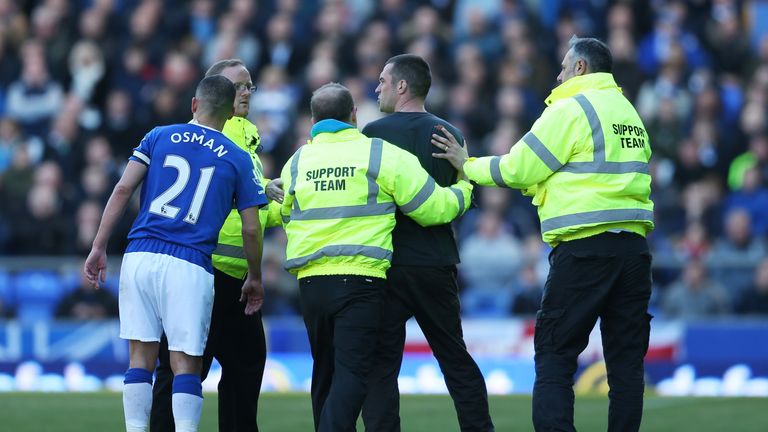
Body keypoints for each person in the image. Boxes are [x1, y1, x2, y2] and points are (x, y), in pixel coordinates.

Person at [434, 36, 655, 432]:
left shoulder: (572, 107)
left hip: (585, 249)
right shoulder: (628, 113)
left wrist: (467, 166)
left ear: (581, 68)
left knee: (555, 353)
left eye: (564, 67)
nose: (558, 75)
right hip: (635, 251)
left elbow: (519, 168)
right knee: (626, 367)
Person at [279, 82, 473, 432]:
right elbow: (433, 209)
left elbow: (286, 215)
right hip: (360, 280)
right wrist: (464, 187)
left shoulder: (297, 162)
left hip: (309, 284)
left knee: (324, 372)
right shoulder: (377, 153)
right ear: (354, 115)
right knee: (354, 374)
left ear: (312, 120)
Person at [83, 75, 268, 432]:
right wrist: (256, 277)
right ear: (231, 113)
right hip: (190, 262)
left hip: (140, 254)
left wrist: (98, 246)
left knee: (140, 360)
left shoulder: (158, 135)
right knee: (186, 364)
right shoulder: (238, 157)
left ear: (194, 105)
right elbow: (250, 227)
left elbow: (123, 189)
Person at [359, 54, 494, 432]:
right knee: (454, 358)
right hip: (435, 263)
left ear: (402, 86)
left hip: (387, 265)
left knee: (381, 365)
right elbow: (457, 203)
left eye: (383, 80)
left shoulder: (373, 135)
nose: (377, 86)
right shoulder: (451, 135)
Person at [150, 59, 283, 432]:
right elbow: (237, 211)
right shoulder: (225, 138)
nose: (245, 92)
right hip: (208, 272)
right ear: (214, 93)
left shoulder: (238, 137)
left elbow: (244, 205)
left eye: (250, 86)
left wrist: (270, 197)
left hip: (226, 278)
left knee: (201, 367)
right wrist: (274, 204)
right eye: (238, 85)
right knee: (195, 369)